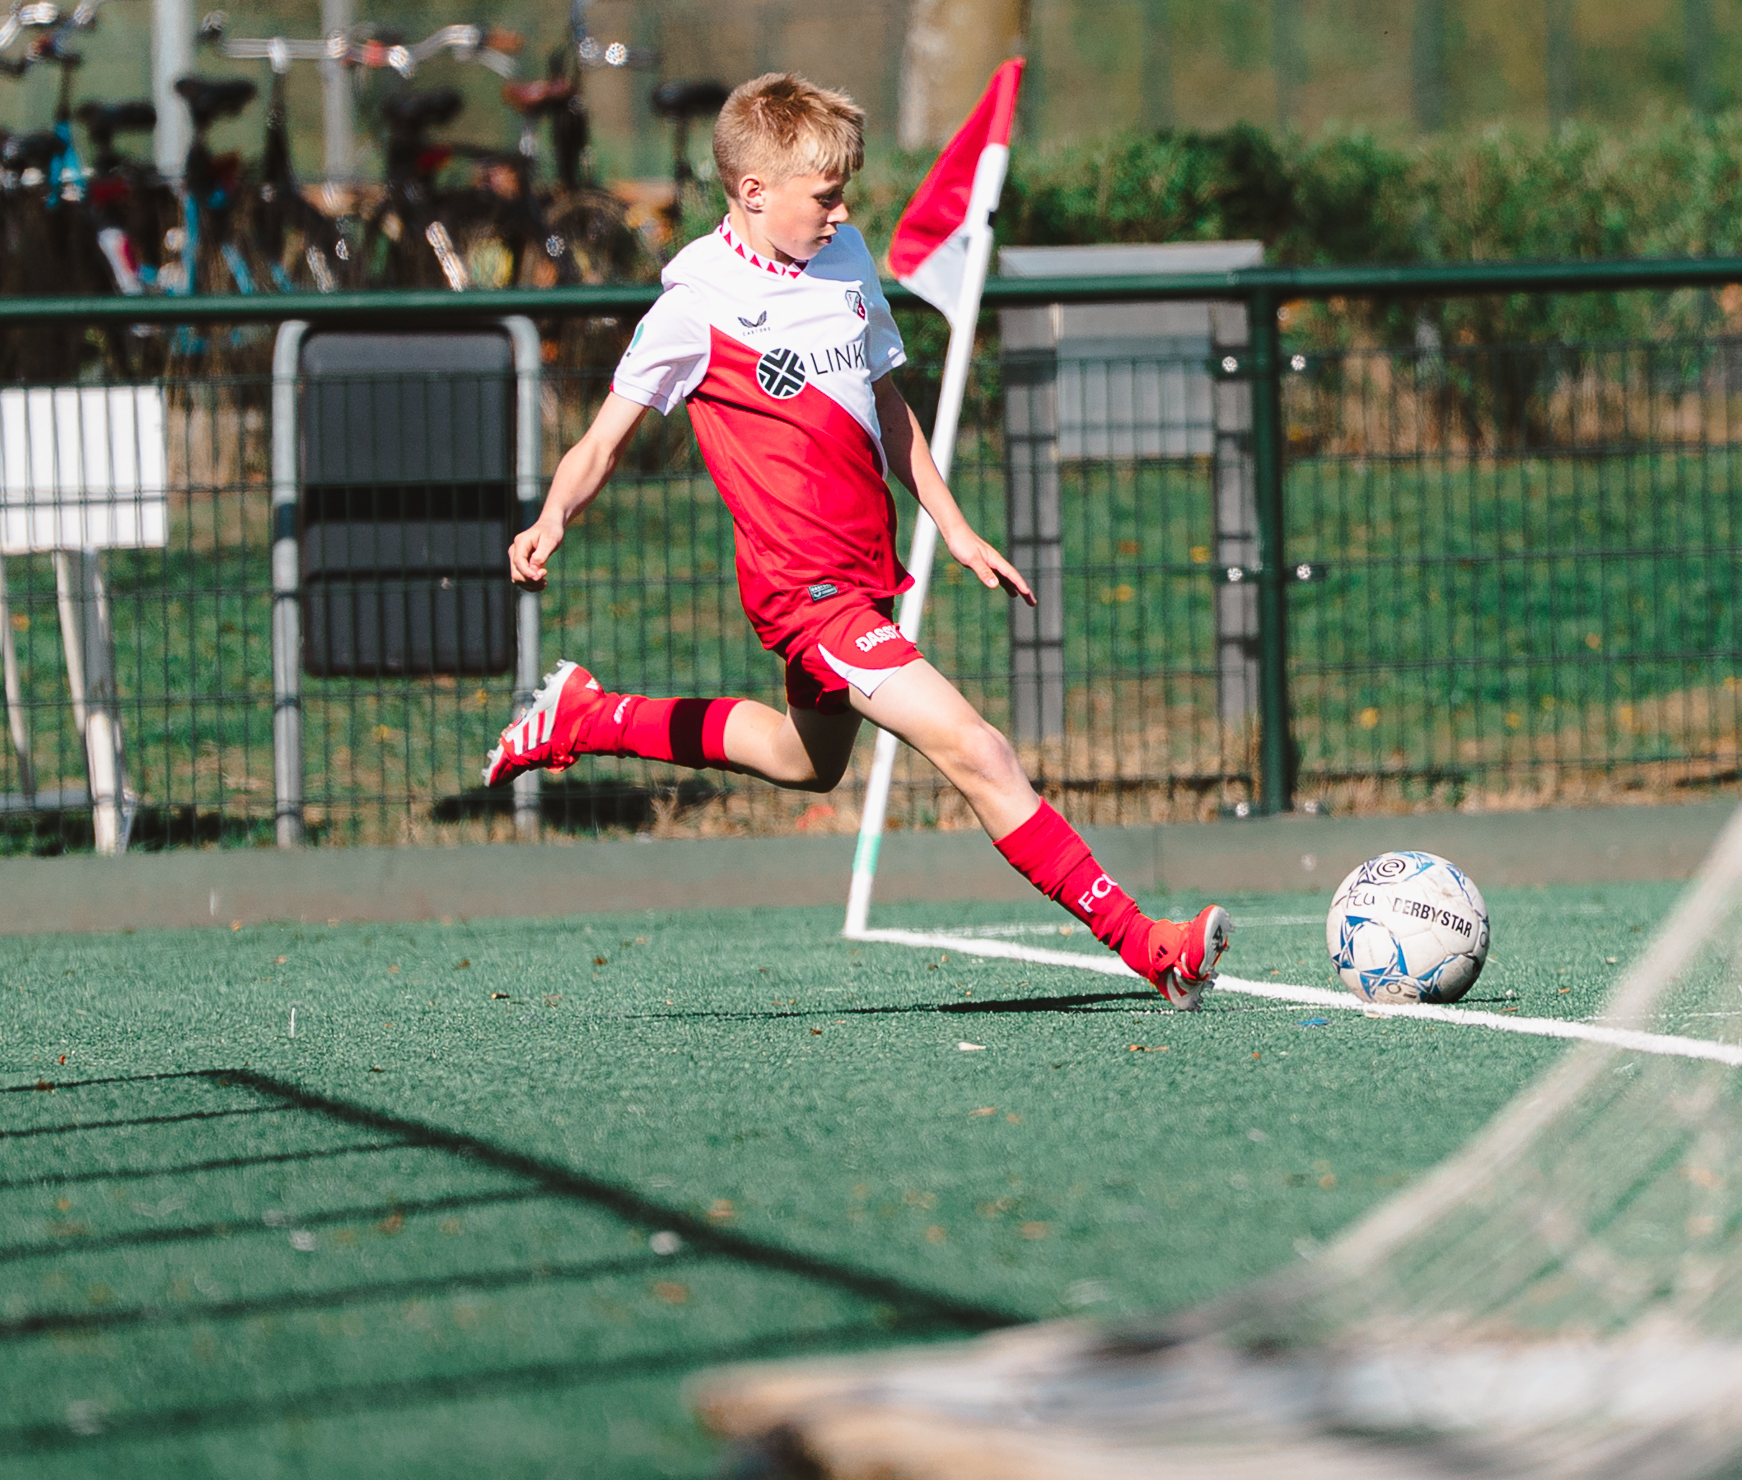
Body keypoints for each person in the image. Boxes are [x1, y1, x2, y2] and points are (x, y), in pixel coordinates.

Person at [486, 72, 1231, 1001]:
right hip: (806, 591)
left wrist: (952, 526)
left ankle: (589, 716)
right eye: (825, 197)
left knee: (807, 761)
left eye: (846, 196)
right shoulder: (695, 304)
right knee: (980, 750)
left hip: (860, 575)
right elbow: (604, 437)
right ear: (753, 192)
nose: (841, 214)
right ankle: (1148, 942)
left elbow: (884, 402)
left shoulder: (847, 260)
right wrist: (553, 516)